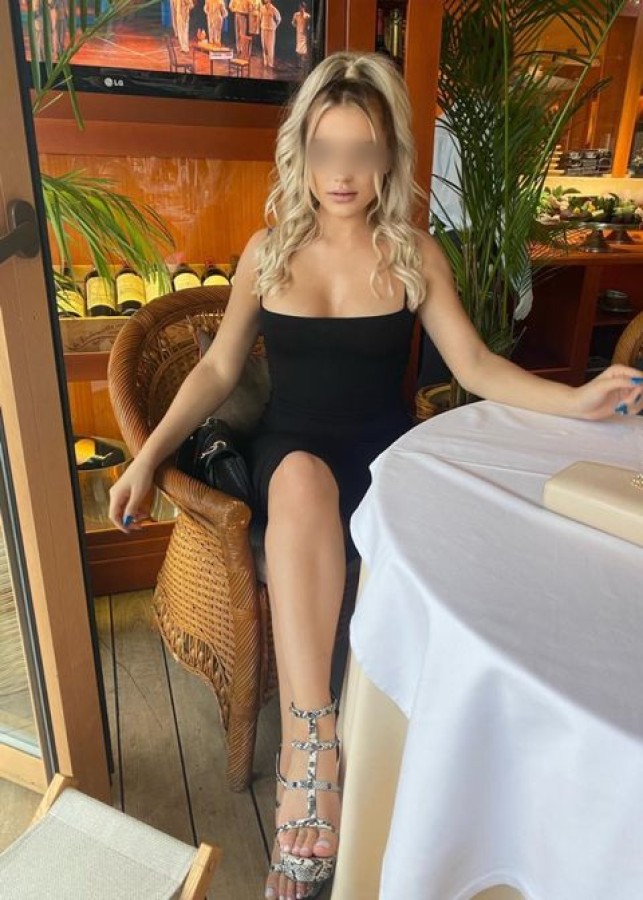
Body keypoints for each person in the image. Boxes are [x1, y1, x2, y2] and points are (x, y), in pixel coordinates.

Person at [108, 52, 643, 900]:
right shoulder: (267, 251)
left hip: (388, 456)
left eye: (361, 151)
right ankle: (310, 751)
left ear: (389, 155)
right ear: (301, 152)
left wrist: (576, 400)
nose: (342, 173)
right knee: (298, 483)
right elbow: (215, 371)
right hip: (291, 454)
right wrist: (145, 458)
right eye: (325, 150)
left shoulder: (412, 254)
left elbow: (474, 365)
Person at [260, 0, 281, 68]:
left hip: (271, 30)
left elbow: (279, 19)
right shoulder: (262, 8)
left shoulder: (273, 9)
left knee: (270, 46)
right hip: (263, 28)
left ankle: (270, 63)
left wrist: (274, 26)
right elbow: (260, 17)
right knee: (264, 46)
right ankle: (265, 62)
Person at [292, 1, 311, 71]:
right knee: (298, 48)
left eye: (302, 7)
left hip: (304, 35)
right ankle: (299, 63)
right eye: (300, 7)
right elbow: (293, 23)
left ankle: (303, 64)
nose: (301, 9)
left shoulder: (307, 16)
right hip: (298, 34)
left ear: (304, 8)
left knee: (304, 50)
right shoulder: (296, 15)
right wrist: (297, 26)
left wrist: (307, 29)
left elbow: (309, 25)